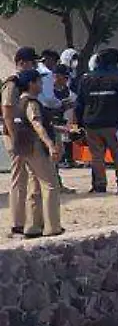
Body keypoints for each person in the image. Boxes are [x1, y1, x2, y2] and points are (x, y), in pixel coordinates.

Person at [5, 48, 63, 238]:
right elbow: (34, 122)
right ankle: (45, 226)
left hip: (24, 143)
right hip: (29, 143)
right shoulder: (24, 95)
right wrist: (49, 145)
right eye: (38, 81)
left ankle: (32, 225)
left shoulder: (22, 99)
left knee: (34, 185)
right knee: (47, 184)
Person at [76, 47, 118, 194]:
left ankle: (99, 185)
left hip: (91, 123)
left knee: (97, 157)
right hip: (114, 123)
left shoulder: (85, 78)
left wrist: (80, 123)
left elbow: (80, 103)